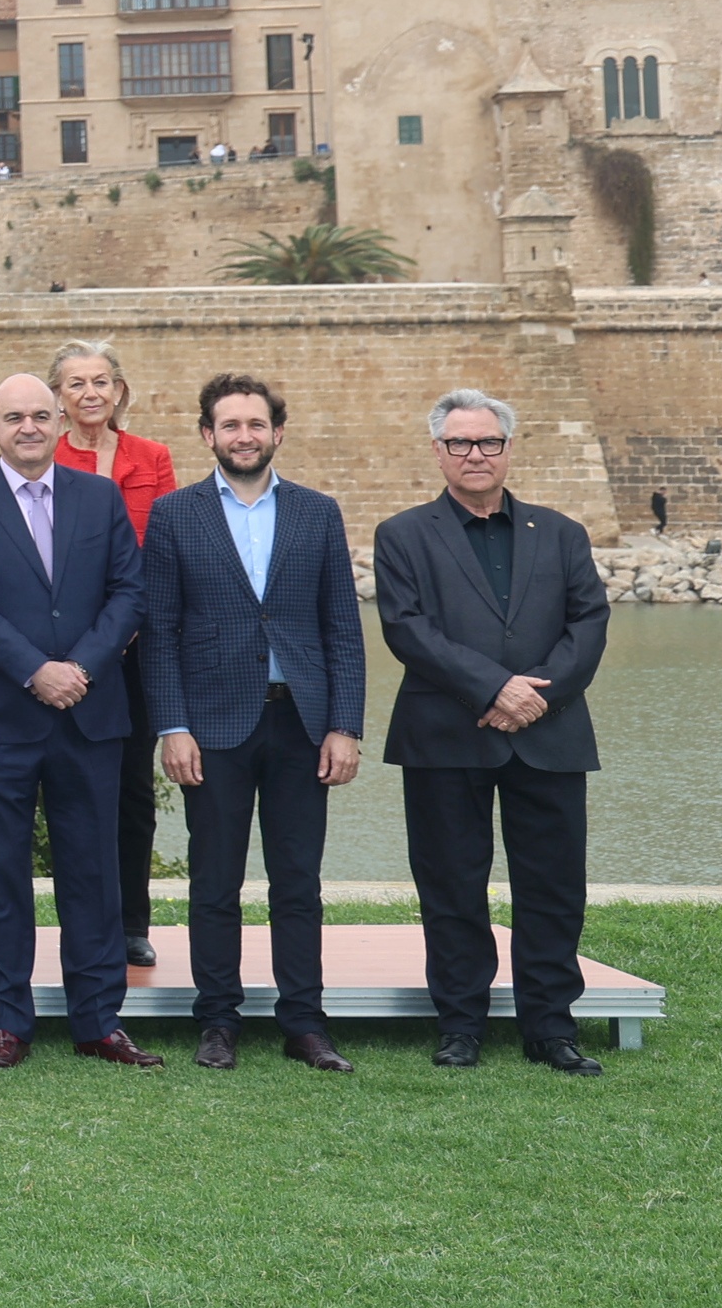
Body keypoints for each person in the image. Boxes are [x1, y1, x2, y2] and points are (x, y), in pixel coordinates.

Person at [0, 374, 157, 1069]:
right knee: (0, 874)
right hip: (1, 716)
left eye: (38, 415)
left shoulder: (99, 496)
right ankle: (6, 1022)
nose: (28, 427)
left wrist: (79, 667)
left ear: (58, 422)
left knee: (93, 872)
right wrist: (36, 669)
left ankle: (97, 1020)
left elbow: (129, 591)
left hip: (90, 711)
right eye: (13, 417)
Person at [378, 387, 608, 1076]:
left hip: (551, 731)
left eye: (488, 443)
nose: (475, 455)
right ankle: (460, 1024)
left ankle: (550, 1027)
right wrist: (493, 687)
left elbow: (589, 623)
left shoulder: (562, 532)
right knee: (450, 884)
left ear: (508, 450)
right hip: (445, 734)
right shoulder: (403, 535)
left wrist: (536, 695)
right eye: (460, 443)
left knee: (554, 887)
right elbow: (407, 628)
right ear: (438, 451)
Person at [141, 374, 364, 1073]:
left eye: (256, 424)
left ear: (277, 433)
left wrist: (344, 725)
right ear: (208, 435)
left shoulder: (317, 513)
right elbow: (159, 633)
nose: (244, 436)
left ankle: (305, 1022)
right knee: (214, 884)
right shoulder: (175, 517)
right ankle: (218, 1021)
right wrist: (171, 725)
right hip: (212, 727)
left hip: (302, 723)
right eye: (230, 425)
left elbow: (343, 632)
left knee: (299, 881)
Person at [51, 342, 176, 969]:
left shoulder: (151, 457)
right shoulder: (43, 455)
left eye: (101, 381)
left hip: (137, 646)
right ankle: (84, 920)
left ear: (120, 390)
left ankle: (131, 921)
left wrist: (127, 625)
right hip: (64, 651)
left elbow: (166, 544)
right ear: (59, 396)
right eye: (76, 384)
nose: (90, 393)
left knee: (131, 787)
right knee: (73, 784)